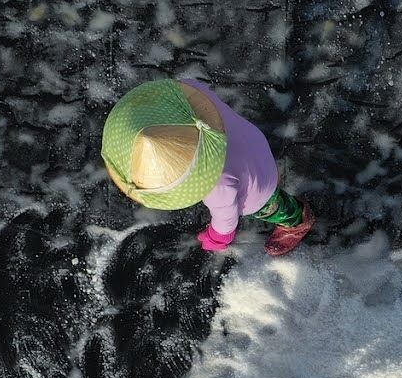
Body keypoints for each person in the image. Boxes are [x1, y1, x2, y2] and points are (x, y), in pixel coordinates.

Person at [100, 78, 316, 256]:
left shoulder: (217, 184)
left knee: (274, 206)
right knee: (253, 168)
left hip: (258, 190)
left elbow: (226, 216)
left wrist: (218, 237)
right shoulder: (190, 95)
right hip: (251, 141)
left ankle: (297, 220)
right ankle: (270, 173)